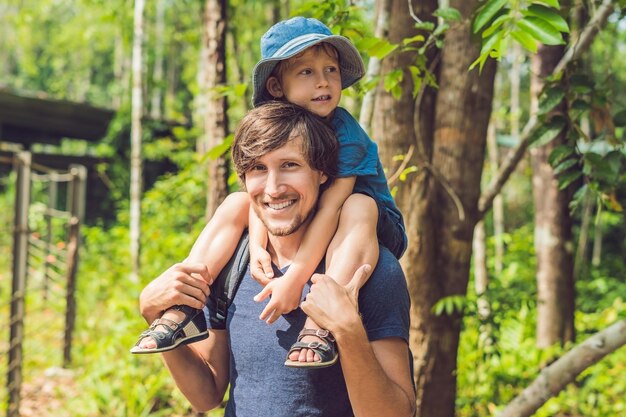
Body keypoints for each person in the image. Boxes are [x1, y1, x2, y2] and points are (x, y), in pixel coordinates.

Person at [131, 16, 407, 368]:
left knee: (359, 205)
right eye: (306, 72)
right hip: (303, 211)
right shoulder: (275, 126)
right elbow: (259, 194)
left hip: (364, 222)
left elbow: (330, 209)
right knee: (236, 202)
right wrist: (258, 245)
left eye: (331, 70)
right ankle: (183, 305)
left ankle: (321, 322)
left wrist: (295, 278)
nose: (323, 81)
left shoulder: (346, 134)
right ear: (277, 87)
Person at [138, 101, 416, 417]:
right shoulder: (232, 263)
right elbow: (207, 395)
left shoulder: (369, 270)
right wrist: (152, 310)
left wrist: (348, 331)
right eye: (258, 168)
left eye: (290, 165)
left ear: (323, 173)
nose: (273, 188)